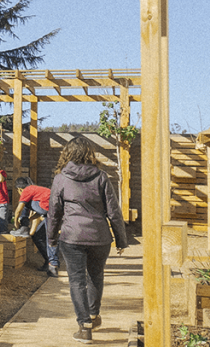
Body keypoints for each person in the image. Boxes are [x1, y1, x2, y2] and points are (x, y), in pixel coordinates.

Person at [48, 136, 129, 344]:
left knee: (77, 280)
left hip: (72, 236)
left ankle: (84, 327)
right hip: (99, 237)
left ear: (67, 154)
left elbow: (54, 212)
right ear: (89, 153)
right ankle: (93, 316)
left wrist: (51, 237)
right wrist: (121, 240)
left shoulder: (60, 179)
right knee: (96, 276)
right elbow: (114, 211)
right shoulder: (101, 176)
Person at [11, 176, 60, 277]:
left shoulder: (26, 190)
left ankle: (53, 265)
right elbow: (43, 209)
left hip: (52, 212)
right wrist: (30, 222)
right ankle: (50, 262)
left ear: (19, 189)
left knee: (50, 238)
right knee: (40, 236)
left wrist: (16, 222)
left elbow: (18, 210)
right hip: (52, 211)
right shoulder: (36, 191)